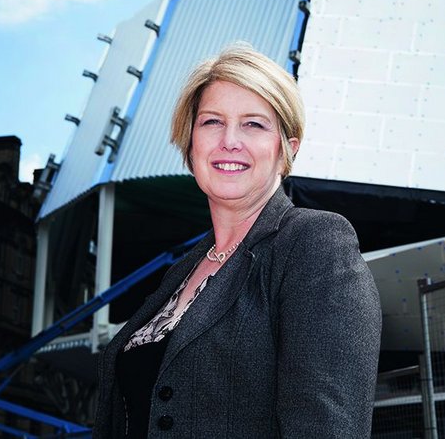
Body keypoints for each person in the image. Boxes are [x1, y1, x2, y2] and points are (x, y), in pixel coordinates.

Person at [93, 45, 382, 438]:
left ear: (286, 148)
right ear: (189, 142)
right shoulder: (180, 274)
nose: (229, 140)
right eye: (212, 122)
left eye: (254, 124)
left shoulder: (313, 244)